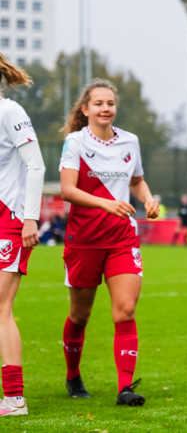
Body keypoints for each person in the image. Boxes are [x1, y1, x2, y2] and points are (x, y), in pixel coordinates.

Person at [58, 79, 159, 406]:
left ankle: (125, 388)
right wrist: (105, 203)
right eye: (98, 103)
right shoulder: (74, 142)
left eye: (110, 103)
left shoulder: (130, 141)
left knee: (125, 310)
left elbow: (137, 180)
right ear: (85, 109)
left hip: (121, 237)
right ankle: (73, 376)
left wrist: (147, 199)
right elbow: (67, 190)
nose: (106, 109)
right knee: (79, 316)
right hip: (84, 240)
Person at [0, 55, 45, 417]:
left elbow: (36, 165)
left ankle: (14, 399)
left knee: (1, 308)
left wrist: (31, 218)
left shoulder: (10, 111)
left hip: (10, 218)